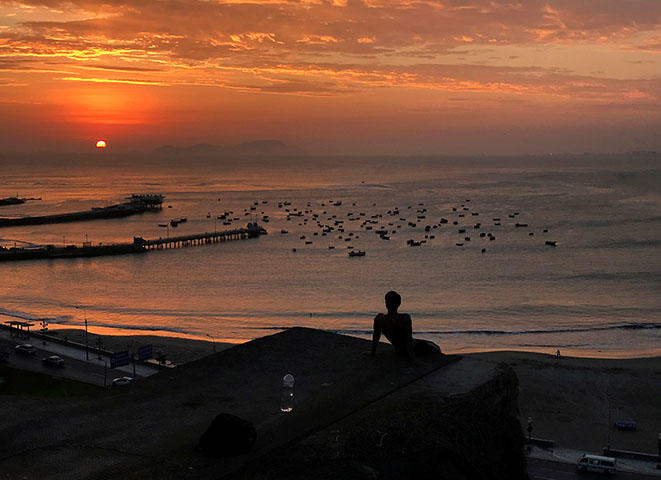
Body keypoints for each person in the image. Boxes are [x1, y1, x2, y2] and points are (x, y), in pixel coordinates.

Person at [370, 290, 441, 358]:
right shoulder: (404, 318)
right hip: (411, 349)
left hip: (400, 349)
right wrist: (413, 359)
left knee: (425, 342)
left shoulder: (379, 319)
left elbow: (376, 336)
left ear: (386, 303)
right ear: (399, 304)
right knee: (435, 347)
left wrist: (372, 352)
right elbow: (408, 340)